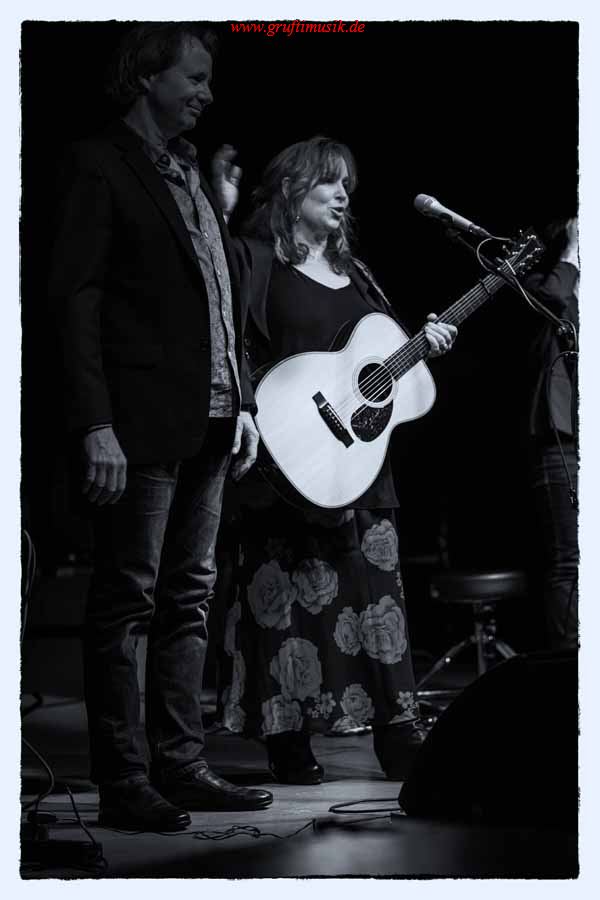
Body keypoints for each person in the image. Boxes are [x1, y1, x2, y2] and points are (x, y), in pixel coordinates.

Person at [48, 23, 273, 832]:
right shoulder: (98, 163)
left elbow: (216, 296)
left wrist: (243, 400)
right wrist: (95, 423)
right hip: (139, 420)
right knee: (129, 600)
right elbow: (74, 300)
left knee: (190, 597)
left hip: (211, 415)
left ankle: (182, 763)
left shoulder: (189, 172)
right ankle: (125, 777)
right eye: (195, 77)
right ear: (147, 76)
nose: (208, 93)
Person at [217, 137, 457, 783]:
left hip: (359, 466)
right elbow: (227, 339)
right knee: (283, 603)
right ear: (291, 188)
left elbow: (380, 369)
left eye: (347, 183)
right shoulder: (255, 259)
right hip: (285, 461)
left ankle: (396, 731)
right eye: (329, 181)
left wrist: (424, 347)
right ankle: (288, 735)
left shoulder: (361, 275)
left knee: (376, 602)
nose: (343, 193)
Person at [525, 217, 579, 650]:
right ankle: (570, 668)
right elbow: (554, 297)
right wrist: (572, 251)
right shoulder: (539, 287)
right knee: (571, 561)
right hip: (564, 443)